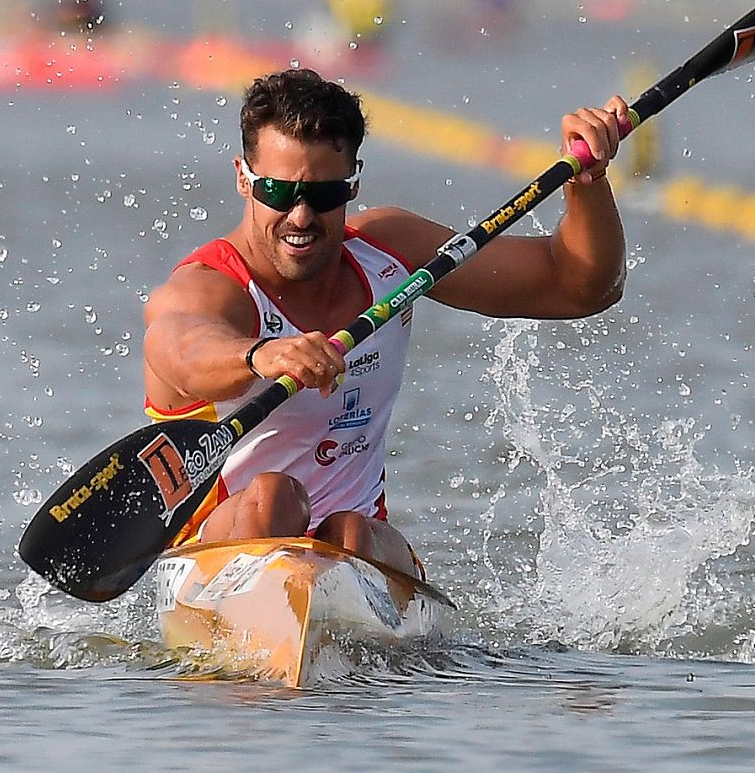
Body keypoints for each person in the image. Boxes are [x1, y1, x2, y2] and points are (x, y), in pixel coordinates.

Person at [142, 69, 628, 578]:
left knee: (349, 532)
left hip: (355, 549)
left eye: (325, 194)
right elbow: (178, 347)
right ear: (243, 177)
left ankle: (336, 600)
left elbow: (579, 287)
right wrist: (261, 354)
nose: (302, 216)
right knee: (271, 497)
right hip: (217, 549)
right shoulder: (212, 286)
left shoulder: (391, 253)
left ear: (353, 181)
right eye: (279, 193)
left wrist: (587, 182)